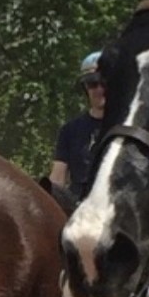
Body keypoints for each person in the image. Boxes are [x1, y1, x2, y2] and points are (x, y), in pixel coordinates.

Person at [50, 53, 106, 199]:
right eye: (92, 83)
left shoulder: (126, 127)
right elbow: (57, 178)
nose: (99, 89)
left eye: (104, 82)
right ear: (85, 88)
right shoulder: (70, 131)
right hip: (79, 208)